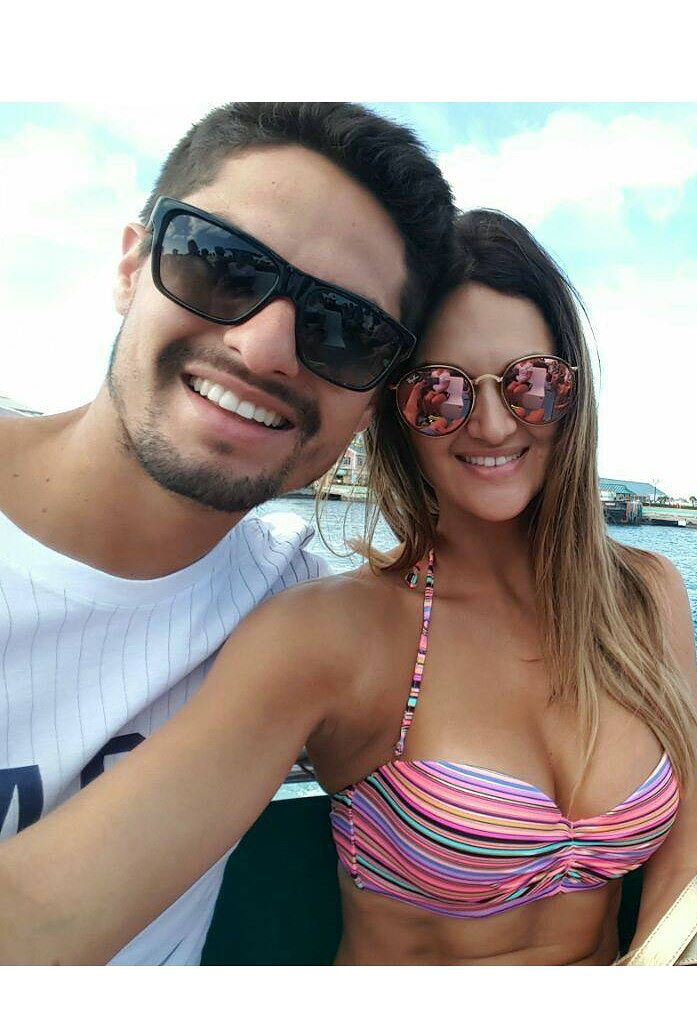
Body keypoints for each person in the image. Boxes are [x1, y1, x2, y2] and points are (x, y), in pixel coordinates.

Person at [0, 209, 697, 965]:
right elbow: (48, 911)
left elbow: (688, 864)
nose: (492, 425)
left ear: (571, 392)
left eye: (530, 383)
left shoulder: (645, 596)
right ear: (393, 414)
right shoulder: (332, 633)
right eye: (440, 393)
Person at [0, 101, 456, 964]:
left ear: (372, 404)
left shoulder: (295, 599)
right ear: (132, 265)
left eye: (345, 331)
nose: (265, 347)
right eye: (222, 265)